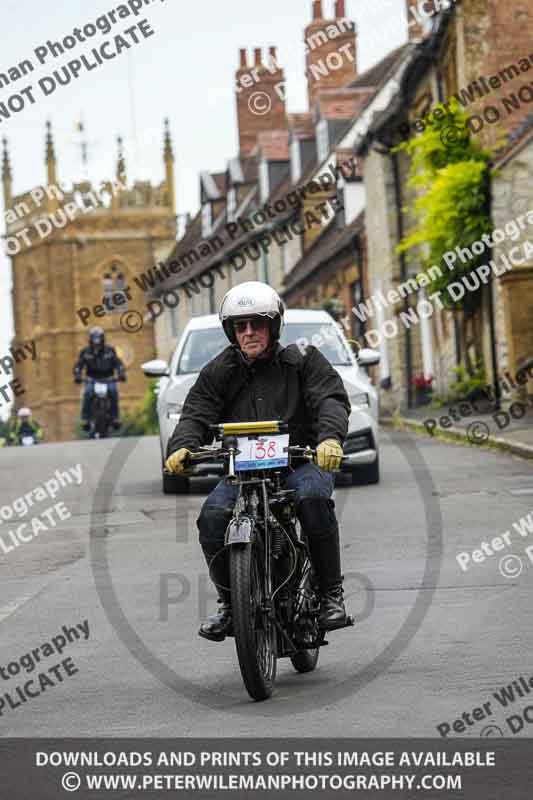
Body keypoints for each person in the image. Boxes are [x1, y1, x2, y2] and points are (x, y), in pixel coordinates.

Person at [165, 281, 351, 642]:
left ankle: (331, 594)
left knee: (313, 500)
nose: (249, 332)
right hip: (243, 470)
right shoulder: (219, 371)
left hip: (300, 463)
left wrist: (329, 438)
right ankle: (232, 606)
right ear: (231, 331)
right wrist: (182, 446)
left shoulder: (304, 359)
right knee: (212, 518)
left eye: (257, 323)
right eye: (240, 326)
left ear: (274, 326)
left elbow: (329, 398)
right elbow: (196, 413)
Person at [74, 327, 126, 431]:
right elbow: (78, 366)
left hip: (108, 379)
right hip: (92, 379)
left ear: (102, 339)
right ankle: (85, 419)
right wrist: (77, 375)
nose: (96, 343)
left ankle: (115, 418)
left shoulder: (110, 350)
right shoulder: (85, 352)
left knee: (113, 392)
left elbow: (118, 364)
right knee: (87, 393)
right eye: (94, 340)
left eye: (98, 340)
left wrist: (121, 373)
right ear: (90, 340)